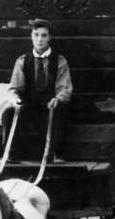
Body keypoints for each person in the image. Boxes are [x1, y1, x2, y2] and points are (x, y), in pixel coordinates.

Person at [7, 19, 73, 163]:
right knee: (9, 113)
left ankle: (55, 154)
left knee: (61, 110)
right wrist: (15, 99)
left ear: (49, 38)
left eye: (44, 35)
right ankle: (11, 155)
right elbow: (14, 88)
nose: (40, 39)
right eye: (36, 35)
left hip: (50, 106)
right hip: (30, 106)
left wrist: (58, 98)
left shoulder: (60, 61)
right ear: (31, 36)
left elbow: (65, 88)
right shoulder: (22, 61)